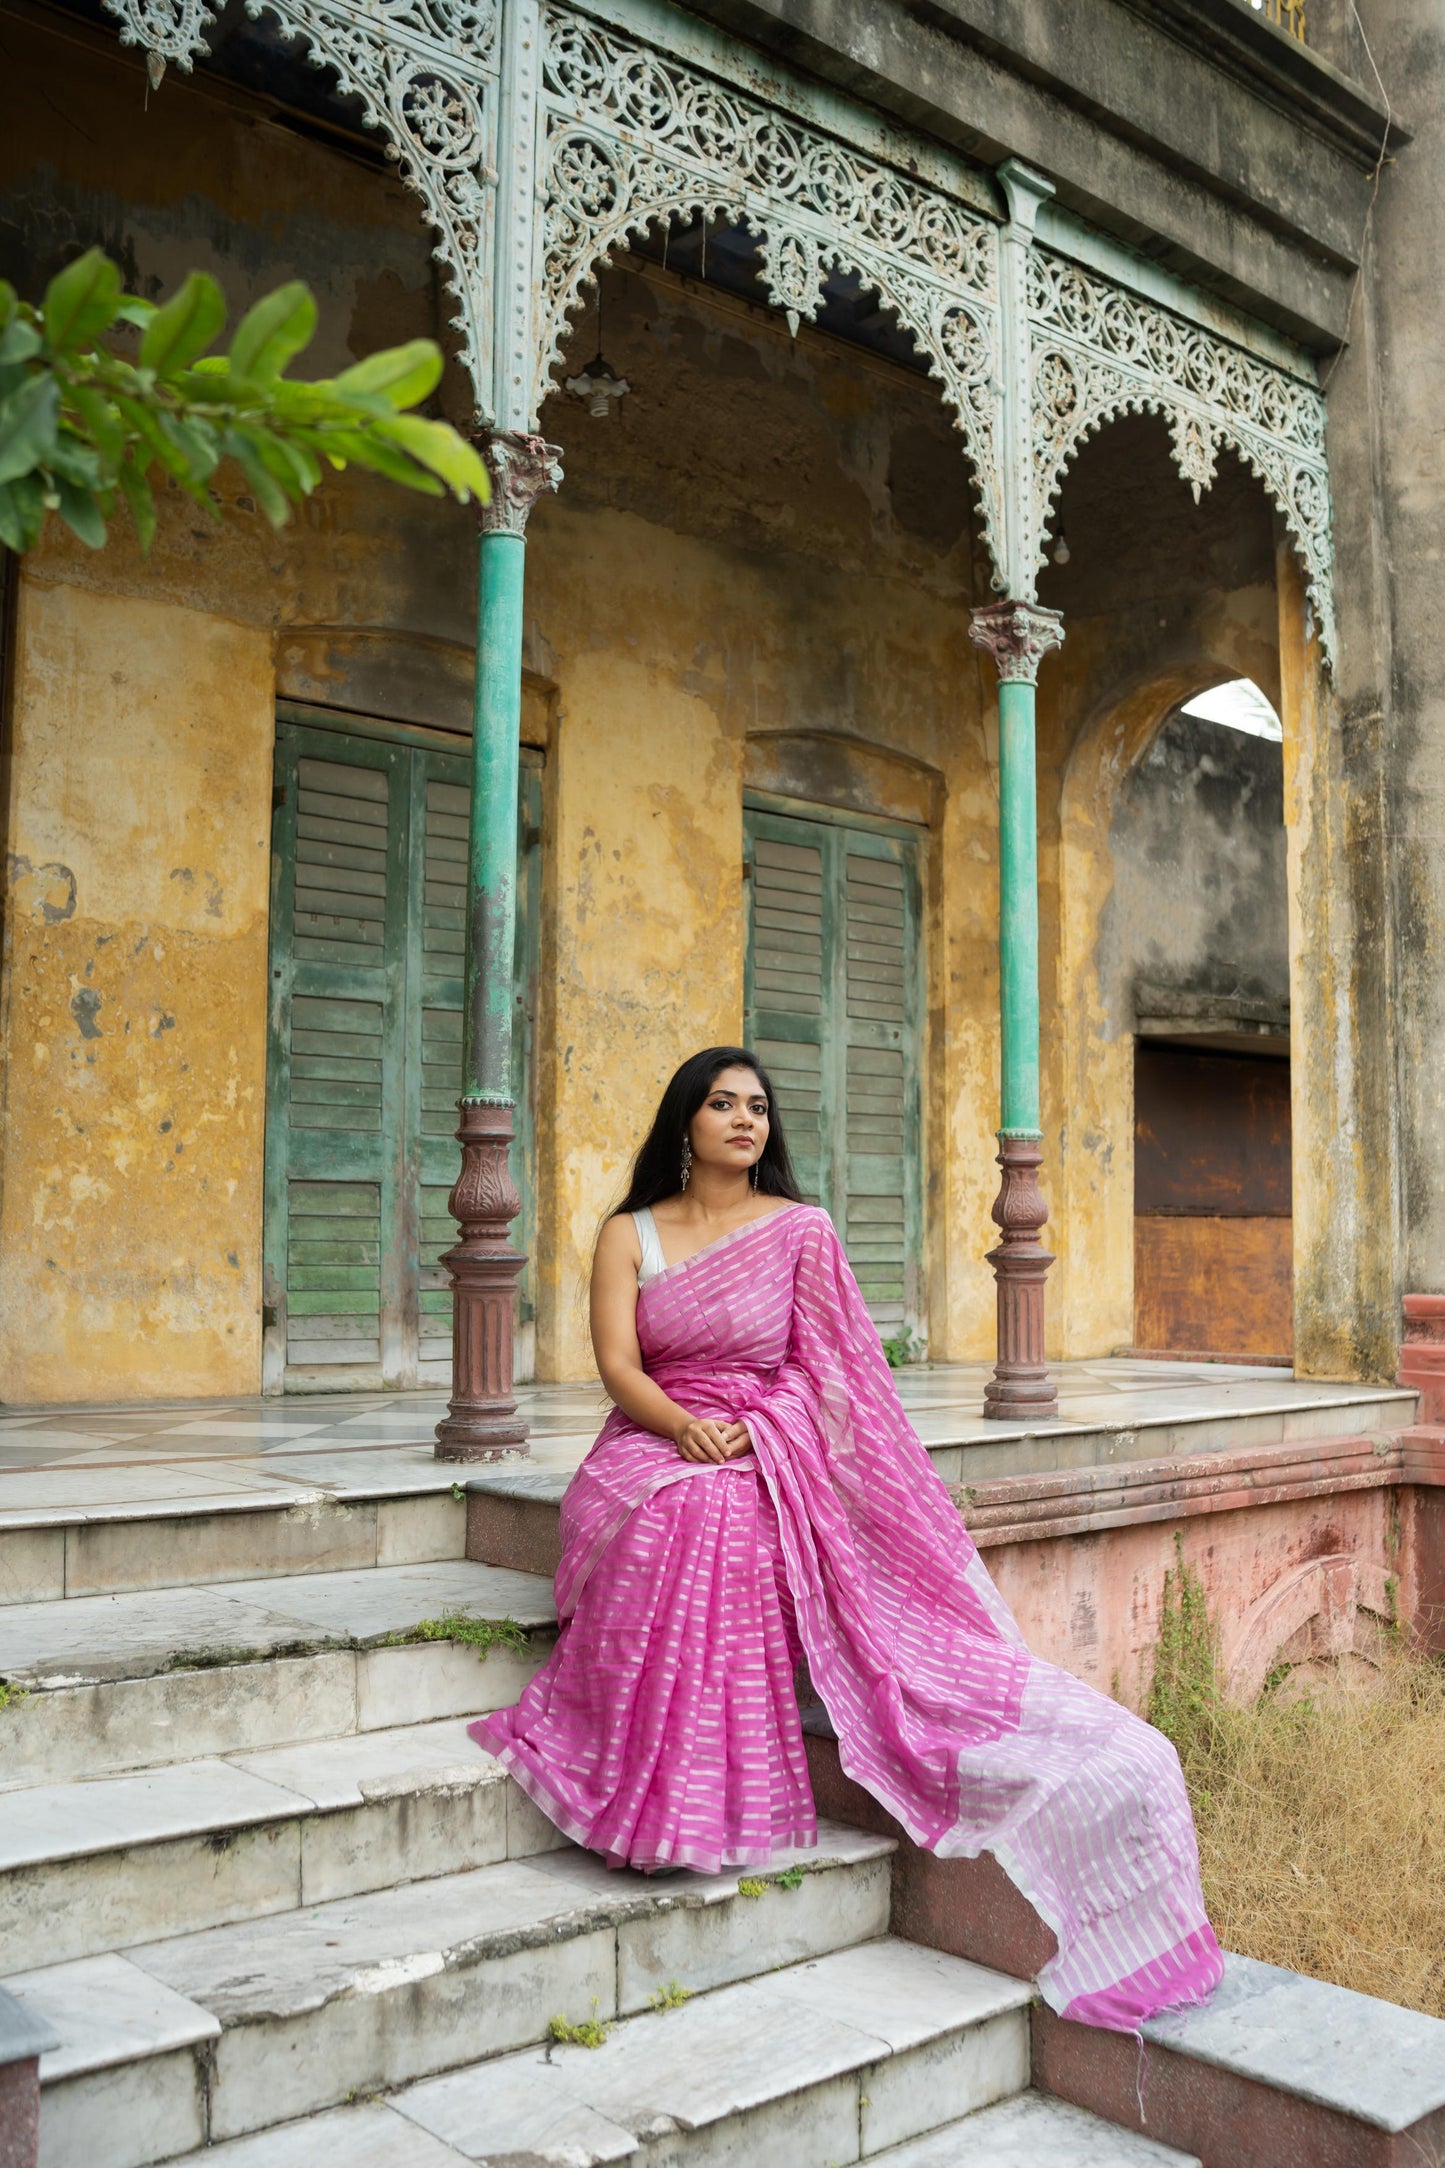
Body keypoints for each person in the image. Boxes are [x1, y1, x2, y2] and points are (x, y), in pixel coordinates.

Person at [472, 1046, 1223, 2033]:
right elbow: (616, 1363)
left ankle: (693, 1803)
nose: (744, 1119)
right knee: (680, 1511)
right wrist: (680, 1427)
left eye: (757, 1106)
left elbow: (827, 1369)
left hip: (763, 1440)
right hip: (649, 1438)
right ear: (683, 1122)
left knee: (722, 1516)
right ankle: (644, 1790)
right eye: (720, 1103)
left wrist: (758, 1432)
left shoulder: (798, 1231)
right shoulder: (630, 1233)